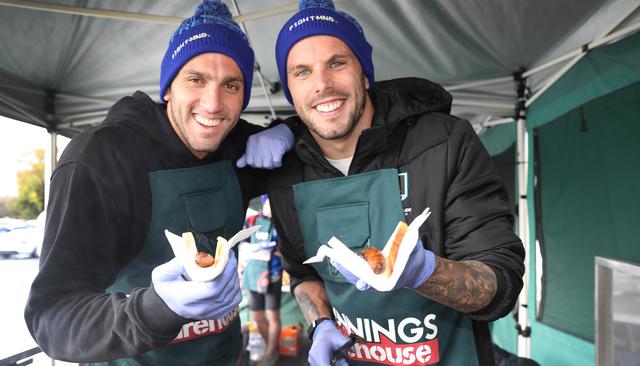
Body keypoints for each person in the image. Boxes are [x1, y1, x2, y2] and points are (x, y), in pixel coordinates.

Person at [24, 2, 294, 365]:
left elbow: (329, 122)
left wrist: (288, 131)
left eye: (231, 85)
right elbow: (52, 319)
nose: (213, 104)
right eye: (196, 79)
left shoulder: (234, 145)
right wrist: (154, 309)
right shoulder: (101, 157)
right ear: (168, 88)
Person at [267, 1, 525, 365]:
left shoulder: (444, 143)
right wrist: (320, 323)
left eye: (337, 63)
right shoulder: (286, 173)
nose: (322, 84)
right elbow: (303, 273)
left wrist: (424, 272)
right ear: (290, 89)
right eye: (302, 71)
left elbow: (502, 280)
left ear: (365, 73)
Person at [241, 195, 283, 365]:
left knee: (273, 315)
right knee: (257, 316)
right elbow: (241, 244)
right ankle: (272, 347)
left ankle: (271, 353)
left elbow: (288, 251)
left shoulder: (281, 224)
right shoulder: (251, 221)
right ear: (264, 203)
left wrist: (275, 250)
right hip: (252, 273)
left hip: (272, 273)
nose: (272, 208)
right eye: (269, 204)